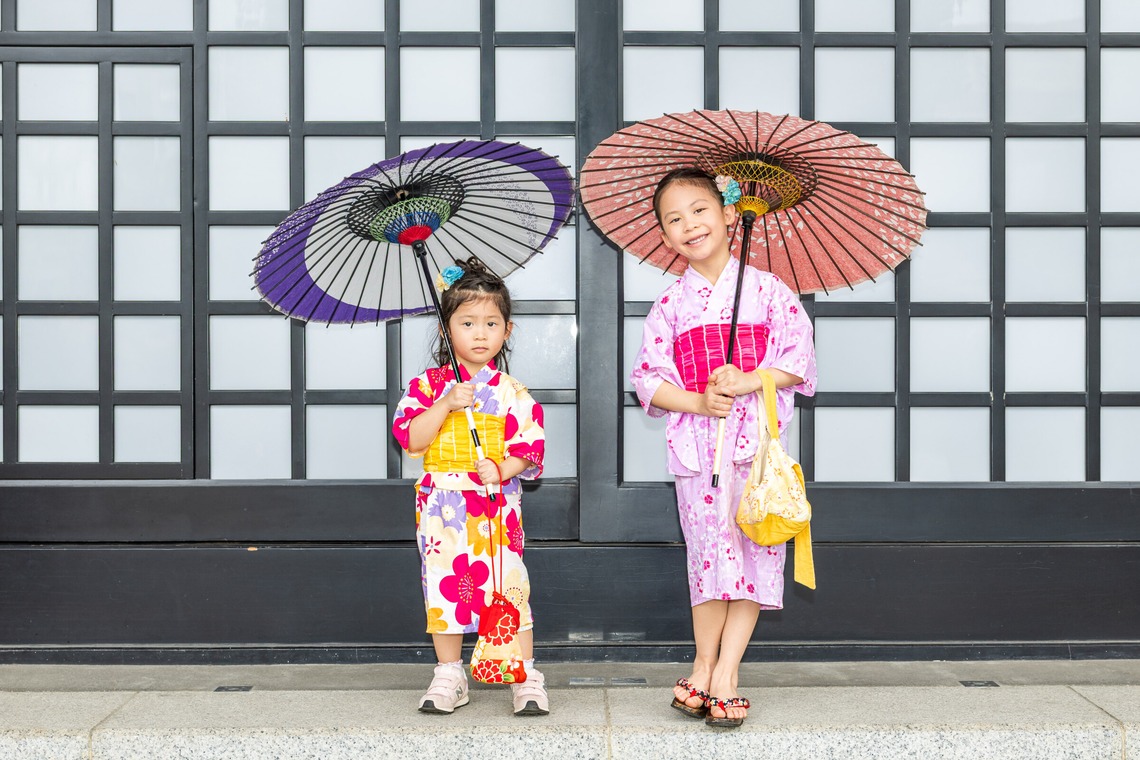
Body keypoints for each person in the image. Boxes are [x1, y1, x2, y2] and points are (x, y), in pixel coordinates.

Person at [629, 167, 817, 728]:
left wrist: (752, 377)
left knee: (755, 552)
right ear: (664, 237)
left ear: (731, 214)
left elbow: (799, 361)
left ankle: (728, 672)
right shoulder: (669, 306)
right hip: (699, 450)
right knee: (707, 558)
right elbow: (647, 379)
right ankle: (702, 663)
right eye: (675, 219)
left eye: (700, 209)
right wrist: (696, 401)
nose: (690, 224)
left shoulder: (769, 291)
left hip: (756, 449)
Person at [392, 256, 548, 716]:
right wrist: (443, 405)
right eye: (467, 322)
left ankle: (523, 672)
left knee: (509, 585)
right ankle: (449, 673)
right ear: (447, 330)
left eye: (491, 323)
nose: (480, 333)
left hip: (495, 504)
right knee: (445, 586)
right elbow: (411, 439)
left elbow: (531, 449)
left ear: (507, 330)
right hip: (443, 506)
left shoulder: (514, 392)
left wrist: (502, 468)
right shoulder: (427, 386)